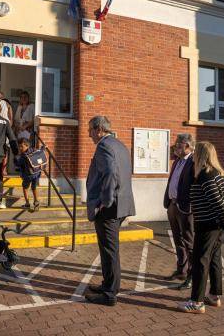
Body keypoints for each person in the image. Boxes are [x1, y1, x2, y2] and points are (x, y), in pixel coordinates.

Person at [178, 141, 224, 314]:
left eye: (196, 152)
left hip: (208, 225)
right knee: (214, 259)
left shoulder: (205, 175)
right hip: (217, 225)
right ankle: (214, 295)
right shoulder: (216, 173)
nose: (193, 155)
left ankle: (196, 302)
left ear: (201, 155)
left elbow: (217, 201)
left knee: (200, 261)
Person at [85, 116, 136, 306]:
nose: (89, 133)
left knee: (109, 251)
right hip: (122, 205)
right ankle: (108, 284)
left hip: (110, 207)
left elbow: (110, 173)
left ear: (99, 129)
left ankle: (109, 293)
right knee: (109, 249)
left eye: (90, 129)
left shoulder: (104, 146)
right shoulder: (119, 144)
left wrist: (103, 202)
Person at [163, 133, 195, 290]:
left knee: (189, 242)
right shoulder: (177, 161)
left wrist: (190, 204)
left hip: (185, 208)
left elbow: (194, 186)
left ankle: (192, 275)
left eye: (179, 145)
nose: (175, 147)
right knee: (177, 240)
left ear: (188, 146)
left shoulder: (194, 162)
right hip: (172, 205)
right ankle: (181, 270)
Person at [14, 138, 41, 211]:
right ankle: (36, 202)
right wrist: (44, 147)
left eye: (21, 146)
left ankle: (27, 204)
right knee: (34, 187)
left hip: (28, 175)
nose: (20, 148)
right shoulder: (34, 150)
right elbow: (41, 152)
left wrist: (16, 159)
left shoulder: (23, 156)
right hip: (37, 173)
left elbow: (18, 164)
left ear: (27, 145)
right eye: (19, 146)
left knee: (25, 188)